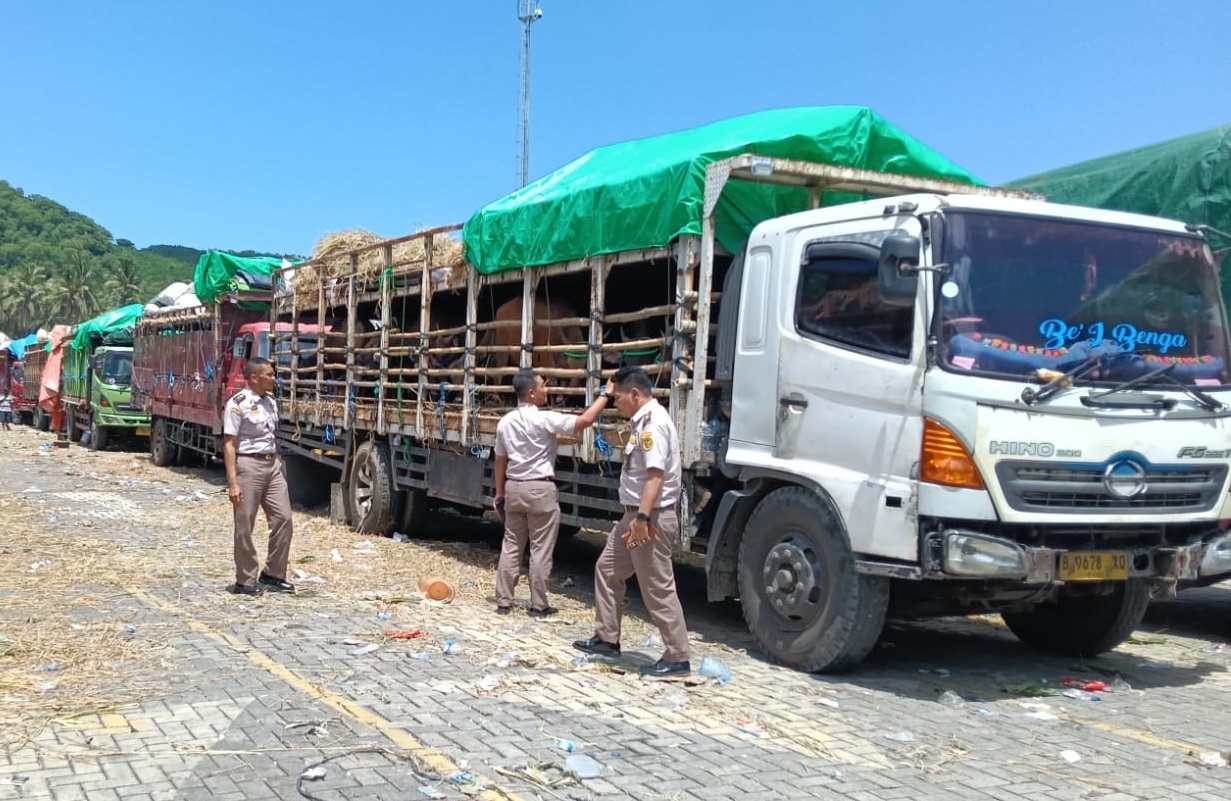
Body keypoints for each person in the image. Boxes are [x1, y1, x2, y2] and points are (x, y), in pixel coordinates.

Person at [574, 365, 690, 676]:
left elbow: (655, 478)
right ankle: (607, 638)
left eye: (617, 398)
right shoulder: (642, 421)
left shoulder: (653, 425)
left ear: (635, 394)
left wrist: (641, 518)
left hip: (647, 519)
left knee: (657, 587)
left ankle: (678, 656)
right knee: (608, 569)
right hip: (633, 517)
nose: (615, 404)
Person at [493, 368, 609, 616]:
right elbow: (585, 422)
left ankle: (504, 600)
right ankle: (538, 604)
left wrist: (499, 493)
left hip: (514, 487)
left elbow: (500, 460)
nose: (547, 390)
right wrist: (605, 396)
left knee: (512, 545)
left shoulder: (504, 422)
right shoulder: (545, 419)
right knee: (540, 549)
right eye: (543, 386)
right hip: (540, 489)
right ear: (532, 393)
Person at [222, 357, 294, 596]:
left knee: (283, 518)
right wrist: (233, 483)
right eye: (270, 375)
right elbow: (230, 444)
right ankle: (245, 579)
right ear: (254, 377)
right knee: (245, 524)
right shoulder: (237, 404)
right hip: (248, 466)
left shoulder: (271, 402)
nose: (274, 378)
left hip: (271, 465)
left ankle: (273, 574)